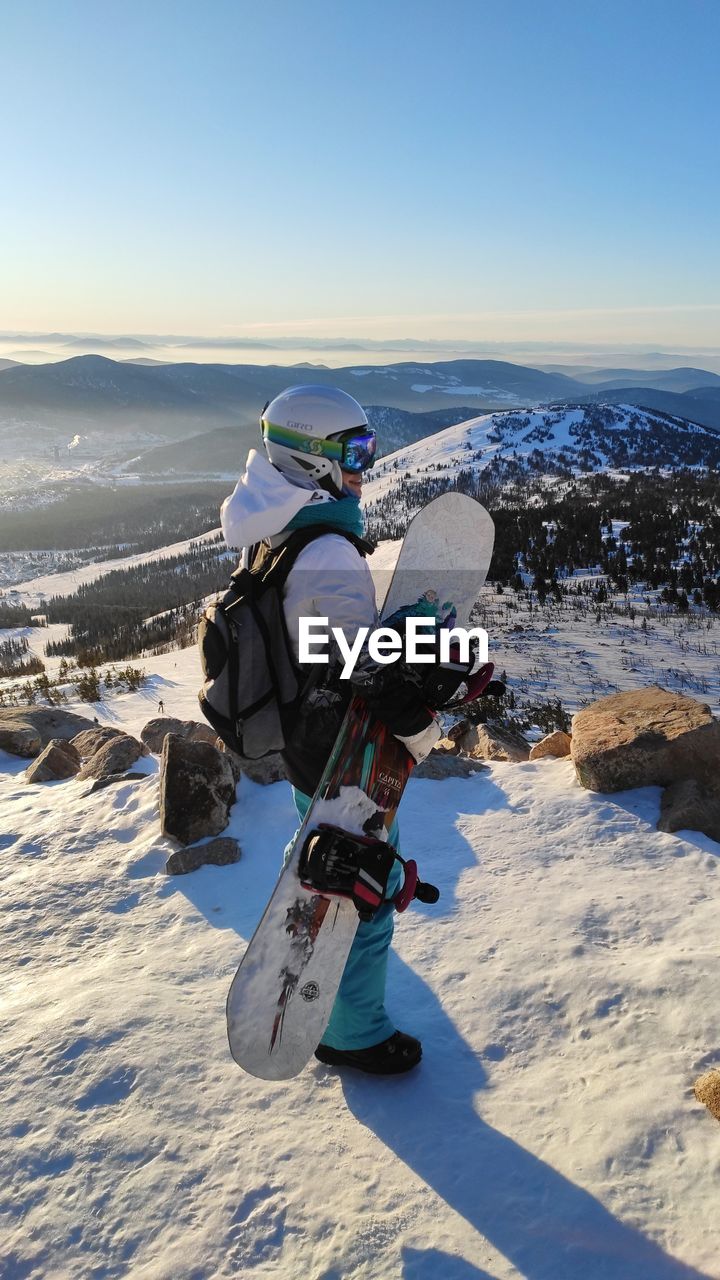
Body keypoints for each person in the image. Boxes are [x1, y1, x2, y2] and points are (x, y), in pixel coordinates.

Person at [220, 385, 440, 1074]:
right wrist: (422, 710)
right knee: (363, 895)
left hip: (300, 739)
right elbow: (358, 668)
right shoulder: (329, 554)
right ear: (310, 456)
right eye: (354, 451)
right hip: (345, 751)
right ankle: (353, 1034)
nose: (365, 465)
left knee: (327, 869)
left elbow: (316, 646)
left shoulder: (277, 526)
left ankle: (315, 999)